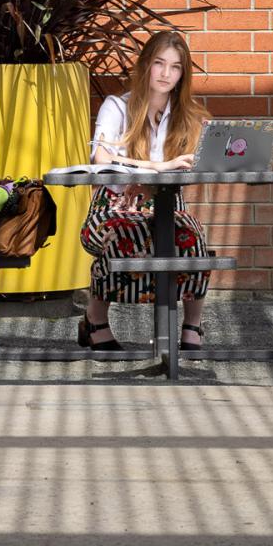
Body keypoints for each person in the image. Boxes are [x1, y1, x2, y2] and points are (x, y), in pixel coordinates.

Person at [78, 30, 212, 351]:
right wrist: (159, 167)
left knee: (193, 241)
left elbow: (197, 166)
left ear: (183, 74)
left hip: (168, 205)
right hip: (114, 204)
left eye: (176, 67)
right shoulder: (117, 107)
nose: (166, 74)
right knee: (126, 237)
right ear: (145, 65)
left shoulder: (188, 116)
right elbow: (101, 158)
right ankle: (95, 320)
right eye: (159, 63)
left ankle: (192, 326)